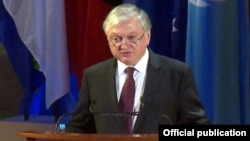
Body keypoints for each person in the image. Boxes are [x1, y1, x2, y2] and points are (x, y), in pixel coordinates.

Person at [65, 3, 210, 134]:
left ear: (147, 36)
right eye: (116, 39)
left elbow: (197, 124)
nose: (124, 45)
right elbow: (78, 127)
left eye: (132, 38)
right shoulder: (94, 76)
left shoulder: (177, 73)